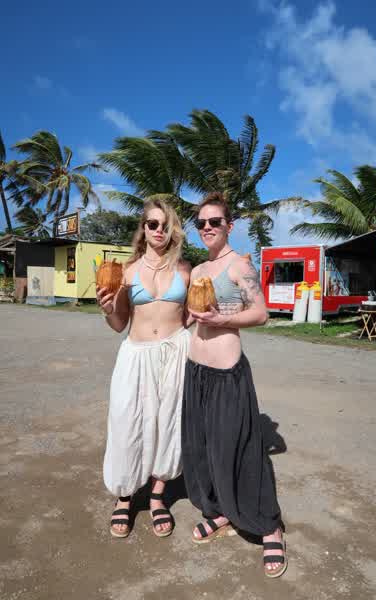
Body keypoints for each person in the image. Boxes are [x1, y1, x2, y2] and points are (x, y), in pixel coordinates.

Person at [182, 192, 287, 578]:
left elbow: (261, 314)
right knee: (202, 448)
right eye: (201, 223)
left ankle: (270, 526)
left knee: (242, 450)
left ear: (230, 225)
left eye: (215, 221)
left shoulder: (240, 265)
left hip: (227, 372)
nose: (207, 227)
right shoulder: (198, 269)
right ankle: (219, 510)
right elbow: (191, 317)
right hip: (195, 371)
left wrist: (222, 320)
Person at [97, 199, 191, 539]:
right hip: (135, 354)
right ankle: (125, 497)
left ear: (173, 230)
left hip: (176, 352)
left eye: (165, 225)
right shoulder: (127, 271)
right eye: (153, 224)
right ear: (143, 228)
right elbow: (119, 323)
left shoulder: (185, 270)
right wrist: (107, 309)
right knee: (126, 422)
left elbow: (193, 315)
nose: (159, 230)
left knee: (168, 425)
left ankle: (156, 497)